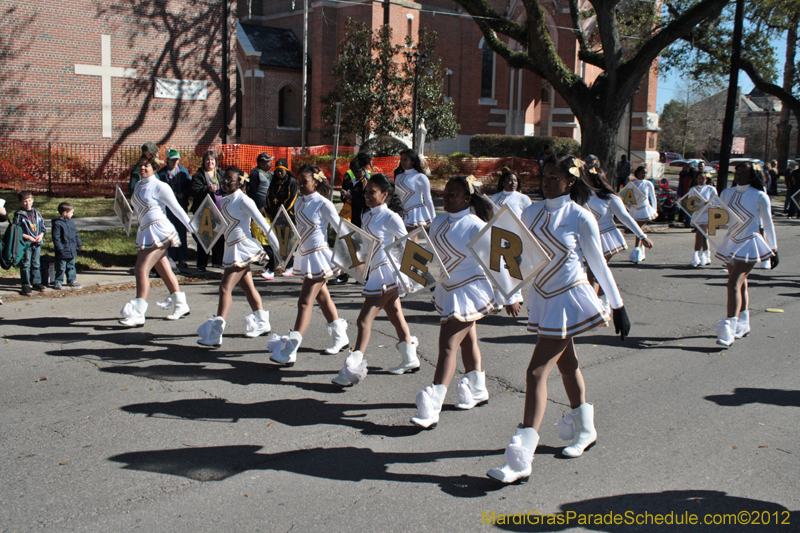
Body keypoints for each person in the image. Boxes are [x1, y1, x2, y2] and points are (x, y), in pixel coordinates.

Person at [487, 155, 630, 484]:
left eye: (555, 177)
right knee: (568, 365)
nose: (547, 182)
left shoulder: (581, 216)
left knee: (536, 372)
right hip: (543, 298)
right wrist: (509, 293)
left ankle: (521, 457)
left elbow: (597, 262)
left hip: (568, 297)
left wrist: (618, 305)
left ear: (570, 182)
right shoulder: (530, 211)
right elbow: (515, 255)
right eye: (545, 176)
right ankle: (585, 429)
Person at [409, 176, 520, 429]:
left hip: (469, 289)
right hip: (447, 287)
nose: (447, 198)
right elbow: (429, 255)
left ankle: (433, 404)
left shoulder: (475, 225)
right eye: (446, 193)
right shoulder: (437, 220)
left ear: (468, 198)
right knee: (468, 340)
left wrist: (511, 296)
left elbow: (500, 260)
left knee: (447, 344)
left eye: (453, 194)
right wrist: (414, 272)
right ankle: (478, 389)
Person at [331, 173, 420, 386]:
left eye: (372, 192)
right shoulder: (367, 215)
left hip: (386, 274)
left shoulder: (391, 217)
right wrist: (345, 263)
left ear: (385, 194)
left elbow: (408, 245)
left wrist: (409, 277)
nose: (367, 195)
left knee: (363, 320)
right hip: (375, 272)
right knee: (395, 314)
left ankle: (351, 370)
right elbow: (364, 245)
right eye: (366, 191)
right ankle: (410, 358)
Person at [268, 164, 349, 366]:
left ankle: (290, 351)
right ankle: (341, 337)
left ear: (316, 181)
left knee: (304, 302)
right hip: (305, 256)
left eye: (304, 182)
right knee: (323, 299)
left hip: (319, 257)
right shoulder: (299, 204)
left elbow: (342, 229)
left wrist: (354, 256)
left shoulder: (324, 204)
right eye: (299, 181)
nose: (300, 185)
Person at [196, 166, 281, 347]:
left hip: (241, 248)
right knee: (248, 288)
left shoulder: (244, 200)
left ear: (240, 181)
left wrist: (278, 247)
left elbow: (263, 224)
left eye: (230, 179)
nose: (225, 182)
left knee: (225, 288)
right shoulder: (225, 200)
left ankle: (216, 333)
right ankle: (262, 322)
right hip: (231, 247)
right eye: (224, 179)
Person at [119, 153, 195, 327]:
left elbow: (177, 209)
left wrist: (193, 229)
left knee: (141, 269)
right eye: (141, 165)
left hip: (160, 231)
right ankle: (180, 304)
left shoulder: (161, 186)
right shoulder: (138, 185)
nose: (143, 168)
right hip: (145, 231)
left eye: (147, 165)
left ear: (154, 168)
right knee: (164, 268)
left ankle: (138, 313)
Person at [714, 162, 778, 346]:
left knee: (733, 283)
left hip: (750, 243)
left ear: (752, 175)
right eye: (737, 171)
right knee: (740, 284)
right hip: (731, 242)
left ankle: (728, 327)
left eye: (743, 171)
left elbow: (767, 223)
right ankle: (744, 323)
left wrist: (773, 249)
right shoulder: (726, 193)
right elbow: (718, 215)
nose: (738, 174)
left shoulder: (759, 196)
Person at [584, 165, 653, 313]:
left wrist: (642, 236)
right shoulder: (582, 196)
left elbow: (626, 218)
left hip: (607, 237)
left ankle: (595, 306)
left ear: (596, 179)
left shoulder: (610, 197)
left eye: (588, 177)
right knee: (597, 272)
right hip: (590, 239)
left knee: (593, 272)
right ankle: (603, 301)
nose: (585, 180)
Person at [335, 153, 373, 285]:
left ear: (363, 170)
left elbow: (365, 202)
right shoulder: (352, 182)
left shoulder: (365, 183)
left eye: (357, 171)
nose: (355, 174)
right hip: (349, 217)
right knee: (347, 246)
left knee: (361, 248)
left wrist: (351, 197)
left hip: (360, 218)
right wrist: (344, 195)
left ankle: (364, 275)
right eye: (353, 171)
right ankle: (344, 275)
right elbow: (346, 199)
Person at [262, 158, 299, 280]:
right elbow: (269, 196)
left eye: (282, 171)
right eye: (277, 170)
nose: (279, 173)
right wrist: (271, 212)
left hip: (287, 216)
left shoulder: (291, 182)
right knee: (278, 242)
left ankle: (272, 268)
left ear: (286, 171)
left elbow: (292, 198)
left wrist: (282, 212)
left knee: (285, 242)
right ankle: (289, 265)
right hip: (275, 217)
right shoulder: (274, 182)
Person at [191, 150, 225, 271]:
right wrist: (208, 189)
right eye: (207, 160)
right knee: (204, 237)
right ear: (203, 162)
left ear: (216, 161)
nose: (210, 162)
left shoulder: (221, 174)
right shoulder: (199, 175)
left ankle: (217, 262)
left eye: (212, 160)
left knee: (219, 236)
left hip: (219, 211)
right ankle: (201, 264)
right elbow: (195, 190)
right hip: (204, 211)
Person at [157, 149, 192, 269]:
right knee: (169, 231)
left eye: (177, 159)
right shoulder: (162, 174)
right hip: (167, 208)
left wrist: (184, 194)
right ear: (167, 160)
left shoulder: (183, 171)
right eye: (172, 160)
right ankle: (171, 256)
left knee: (181, 231)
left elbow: (189, 186)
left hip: (181, 205)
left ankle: (182, 258)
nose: (175, 162)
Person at [14, 191, 46, 296]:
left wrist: (41, 235)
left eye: (29, 201)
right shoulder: (19, 216)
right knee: (26, 264)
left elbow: (43, 228)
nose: (27, 203)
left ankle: (36, 282)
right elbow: (16, 231)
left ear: (32, 200)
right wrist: (27, 237)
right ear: (20, 202)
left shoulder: (37, 214)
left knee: (36, 263)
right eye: (24, 202)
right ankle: (25, 284)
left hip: (37, 243)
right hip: (26, 244)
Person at [395, 149, 435, 232]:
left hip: (415, 212)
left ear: (413, 161)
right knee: (402, 240)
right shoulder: (398, 177)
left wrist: (434, 218)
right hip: (401, 212)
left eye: (406, 159)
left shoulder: (421, 177)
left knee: (410, 239)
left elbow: (428, 199)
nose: (402, 162)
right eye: (401, 159)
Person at [626, 166, 657, 263]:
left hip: (645, 209)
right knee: (639, 230)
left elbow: (653, 197)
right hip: (636, 210)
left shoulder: (648, 184)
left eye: (645, 173)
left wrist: (655, 210)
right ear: (638, 173)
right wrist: (628, 210)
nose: (644, 175)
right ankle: (641, 249)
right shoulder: (632, 184)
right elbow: (628, 198)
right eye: (642, 173)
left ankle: (637, 250)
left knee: (639, 228)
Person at [51, 202, 83, 290]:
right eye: (71, 212)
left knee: (71, 266)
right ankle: (58, 281)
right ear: (64, 213)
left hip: (71, 249)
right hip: (62, 250)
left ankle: (71, 280)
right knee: (61, 267)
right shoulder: (57, 224)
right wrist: (60, 248)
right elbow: (56, 238)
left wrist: (79, 243)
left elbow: (75, 234)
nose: (72, 214)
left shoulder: (71, 223)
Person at [687, 173, 716, 267]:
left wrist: (709, 202)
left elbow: (717, 200)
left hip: (707, 214)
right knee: (704, 235)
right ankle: (706, 255)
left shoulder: (710, 189)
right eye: (698, 178)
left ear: (706, 179)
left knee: (700, 233)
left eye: (702, 178)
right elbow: (689, 201)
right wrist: (692, 206)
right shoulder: (693, 189)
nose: (700, 180)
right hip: (697, 214)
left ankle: (696, 254)